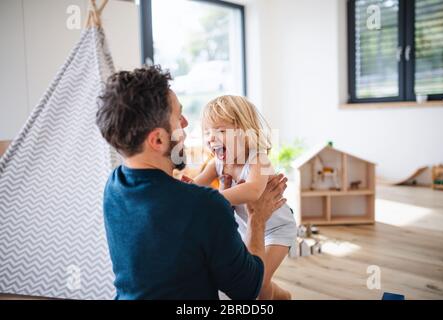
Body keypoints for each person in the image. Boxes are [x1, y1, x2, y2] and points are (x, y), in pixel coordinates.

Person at [95, 65, 288, 299]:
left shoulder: (114, 186)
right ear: (157, 139)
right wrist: (257, 219)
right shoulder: (204, 205)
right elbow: (247, 290)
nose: (186, 122)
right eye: (178, 117)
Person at [192, 95, 296, 300]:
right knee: (248, 281)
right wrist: (184, 189)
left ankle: (279, 296)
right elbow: (197, 186)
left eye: (220, 131)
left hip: (277, 229)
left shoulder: (258, 158)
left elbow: (253, 191)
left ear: (245, 134)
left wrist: (213, 197)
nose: (211, 138)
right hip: (246, 230)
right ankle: (282, 296)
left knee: (258, 282)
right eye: (207, 132)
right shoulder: (216, 163)